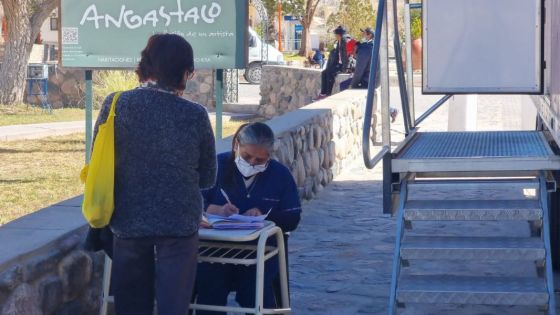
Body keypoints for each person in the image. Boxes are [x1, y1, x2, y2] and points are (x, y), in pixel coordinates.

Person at [93, 34, 217, 315]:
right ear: (185, 72)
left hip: (127, 220)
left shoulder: (115, 105)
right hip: (179, 223)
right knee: (174, 305)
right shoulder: (195, 114)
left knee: (131, 306)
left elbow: (97, 161)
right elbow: (208, 177)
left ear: (145, 66)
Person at [195, 122, 302, 314]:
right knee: (210, 290)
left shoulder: (280, 175)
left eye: (260, 160)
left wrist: (265, 217)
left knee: (255, 293)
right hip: (214, 250)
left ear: (269, 156)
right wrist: (215, 210)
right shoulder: (215, 167)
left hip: (262, 251)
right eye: (246, 156)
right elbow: (191, 205)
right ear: (236, 145)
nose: (252, 163)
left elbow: (293, 217)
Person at [315, 25, 348, 100]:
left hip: (343, 65)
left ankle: (328, 93)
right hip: (338, 64)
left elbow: (346, 56)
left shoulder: (344, 41)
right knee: (324, 72)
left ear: (339, 34)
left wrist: (345, 68)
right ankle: (323, 93)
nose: (335, 36)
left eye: (336, 34)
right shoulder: (339, 41)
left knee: (330, 73)